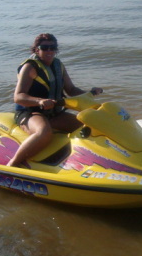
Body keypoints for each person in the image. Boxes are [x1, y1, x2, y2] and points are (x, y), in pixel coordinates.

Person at [7, 33, 102, 167]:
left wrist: (90, 93)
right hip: (30, 113)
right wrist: (39, 101)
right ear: (36, 49)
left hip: (54, 113)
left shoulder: (58, 65)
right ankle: (13, 164)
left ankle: (85, 162)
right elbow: (18, 96)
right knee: (44, 132)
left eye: (53, 47)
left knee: (87, 127)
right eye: (45, 47)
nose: (49, 51)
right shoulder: (30, 67)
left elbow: (71, 90)